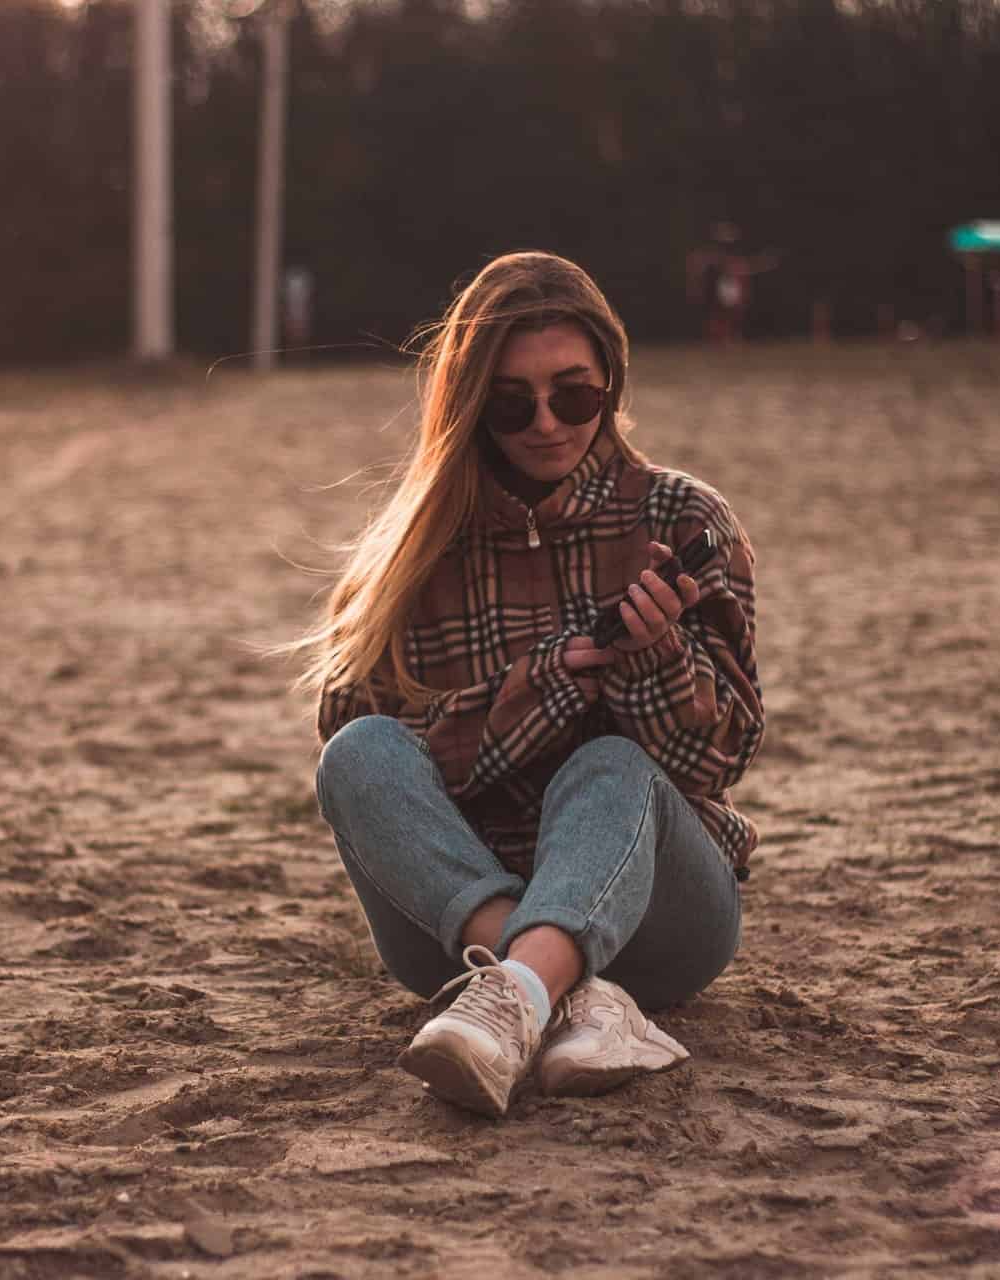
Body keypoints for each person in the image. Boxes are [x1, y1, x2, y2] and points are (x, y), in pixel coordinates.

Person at [294, 251, 764, 1119]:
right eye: (513, 403)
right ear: (472, 405)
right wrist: (542, 684)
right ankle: (552, 991)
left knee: (611, 766)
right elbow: (363, 756)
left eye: (575, 395)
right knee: (356, 750)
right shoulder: (417, 544)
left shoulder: (684, 518)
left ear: (612, 385)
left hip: (665, 921)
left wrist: (654, 658)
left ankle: (513, 998)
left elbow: (716, 765)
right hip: (452, 924)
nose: (547, 423)